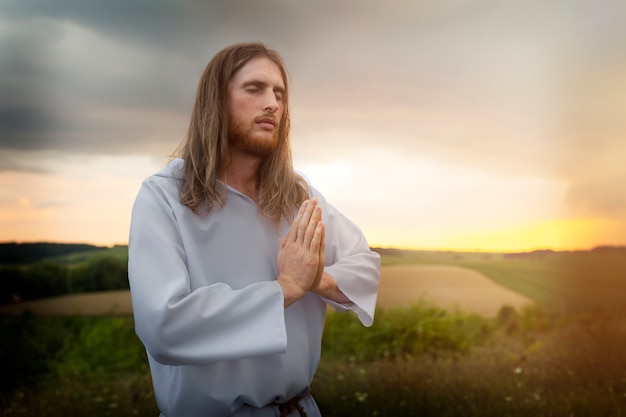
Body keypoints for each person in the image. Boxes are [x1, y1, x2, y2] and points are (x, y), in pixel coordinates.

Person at [128, 42, 380, 417]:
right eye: (255, 88)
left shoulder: (299, 195)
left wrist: (316, 280)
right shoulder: (164, 196)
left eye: (279, 93)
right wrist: (284, 290)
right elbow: (165, 325)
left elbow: (364, 264)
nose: (273, 103)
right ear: (216, 101)